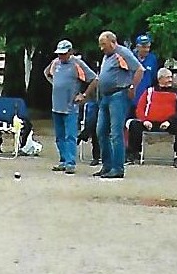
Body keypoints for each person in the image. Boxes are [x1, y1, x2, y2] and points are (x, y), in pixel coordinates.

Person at [80, 31, 142, 179]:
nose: (102, 48)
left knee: (116, 133)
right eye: (101, 45)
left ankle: (118, 168)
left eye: (104, 45)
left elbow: (139, 69)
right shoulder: (106, 56)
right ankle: (106, 165)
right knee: (100, 131)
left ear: (113, 42)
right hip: (105, 97)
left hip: (118, 95)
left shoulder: (123, 53)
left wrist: (132, 87)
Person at [43, 39, 96, 173]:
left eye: (64, 54)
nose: (61, 56)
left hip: (71, 107)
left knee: (70, 135)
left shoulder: (77, 64)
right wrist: (55, 84)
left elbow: (94, 79)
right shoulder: (55, 62)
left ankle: (71, 162)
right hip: (56, 105)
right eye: (59, 54)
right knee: (59, 136)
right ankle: (63, 160)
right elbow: (46, 73)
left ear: (70, 52)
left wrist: (83, 95)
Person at [125, 67, 177, 166]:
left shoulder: (176, 92)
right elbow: (140, 108)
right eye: (168, 77)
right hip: (150, 123)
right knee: (133, 124)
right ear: (160, 79)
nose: (170, 80)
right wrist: (145, 120)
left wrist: (169, 121)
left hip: (168, 123)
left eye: (171, 77)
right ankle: (133, 154)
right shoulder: (150, 91)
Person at [132, 33, 159, 107]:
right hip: (131, 97)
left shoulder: (152, 59)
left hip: (146, 98)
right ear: (137, 47)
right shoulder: (131, 58)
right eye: (144, 47)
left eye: (148, 47)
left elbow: (154, 78)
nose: (147, 50)